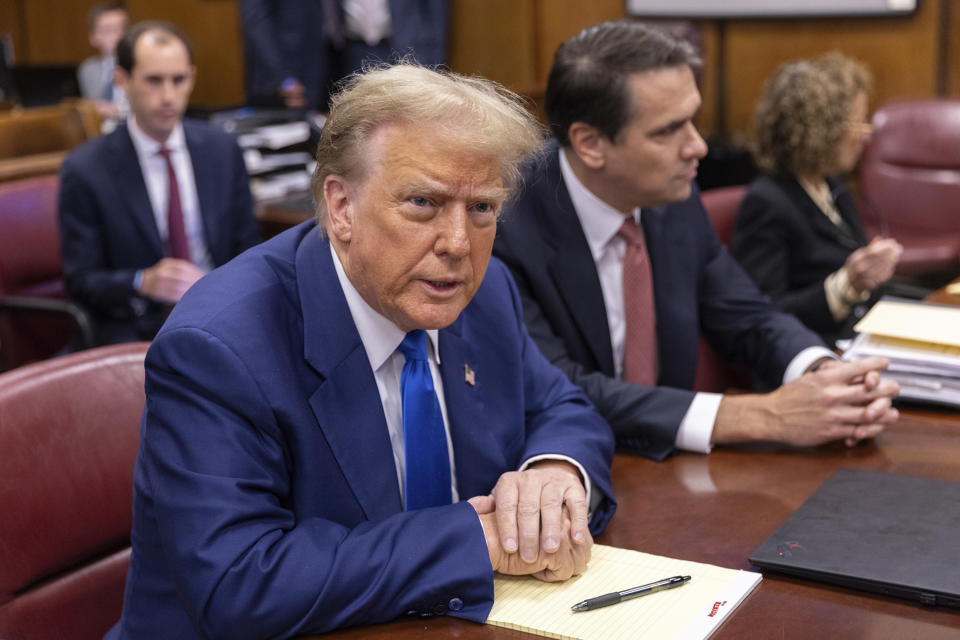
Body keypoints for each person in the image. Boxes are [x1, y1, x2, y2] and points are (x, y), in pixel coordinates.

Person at [106, 63, 616, 639]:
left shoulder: (485, 290)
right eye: (423, 202)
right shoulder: (220, 348)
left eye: (482, 209)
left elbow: (562, 406)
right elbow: (239, 584)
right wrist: (476, 540)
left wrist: (551, 472)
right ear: (342, 207)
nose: (457, 244)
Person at [493, 20, 900, 462]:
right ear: (590, 143)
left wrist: (825, 374)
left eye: (693, 120)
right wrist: (763, 416)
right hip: (557, 473)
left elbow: (745, 314)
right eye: (669, 130)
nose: (698, 147)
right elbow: (557, 385)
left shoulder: (670, 198)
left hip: (670, 467)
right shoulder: (504, 223)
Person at [59, 21, 260, 345]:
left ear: (191, 78)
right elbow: (81, 280)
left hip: (221, 315)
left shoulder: (222, 150)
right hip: (136, 327)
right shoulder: (86, 169)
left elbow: (249, 249)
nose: (168, 96)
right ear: (122, 80)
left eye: (178, 80)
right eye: (154, 80)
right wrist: (142, 281)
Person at [732, 53, 903, 346]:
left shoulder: (831, 185)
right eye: (859, 122)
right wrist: (846, 286)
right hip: (816, 355)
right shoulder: (766, 203)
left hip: (856, 337)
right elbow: (764, 316)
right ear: (822, 129)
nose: (866, 136)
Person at [239, 0, 448, 110]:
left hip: (342, 62)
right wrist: (283, 77)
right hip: (300, 73)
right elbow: (255, 18)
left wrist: (433, 68)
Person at [76, 1, 129, 120]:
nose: (118, 35)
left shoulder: (138, 64)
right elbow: (91, 109)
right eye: (109, 30)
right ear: (93, 37)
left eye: (122, 29)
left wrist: (118, 110)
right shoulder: (88, 69)